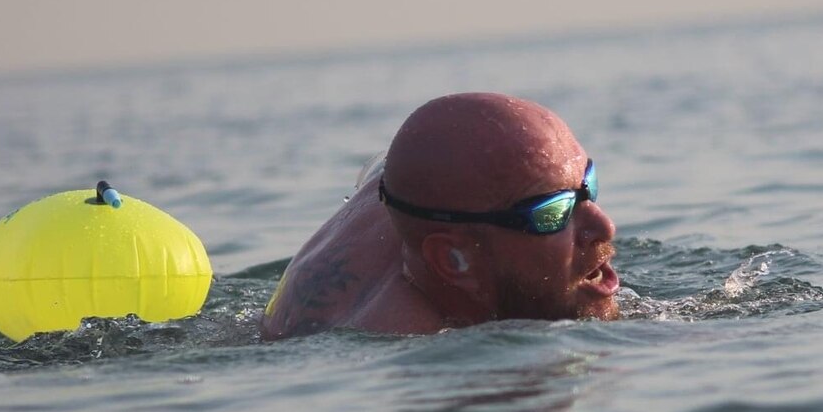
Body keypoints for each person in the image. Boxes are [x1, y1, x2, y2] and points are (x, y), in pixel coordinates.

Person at [260, 92, 620, 339]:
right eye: (552, 212)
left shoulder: (424, 188)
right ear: (453, 260)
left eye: (589, 185)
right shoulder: (402, 336)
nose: (604, 226)